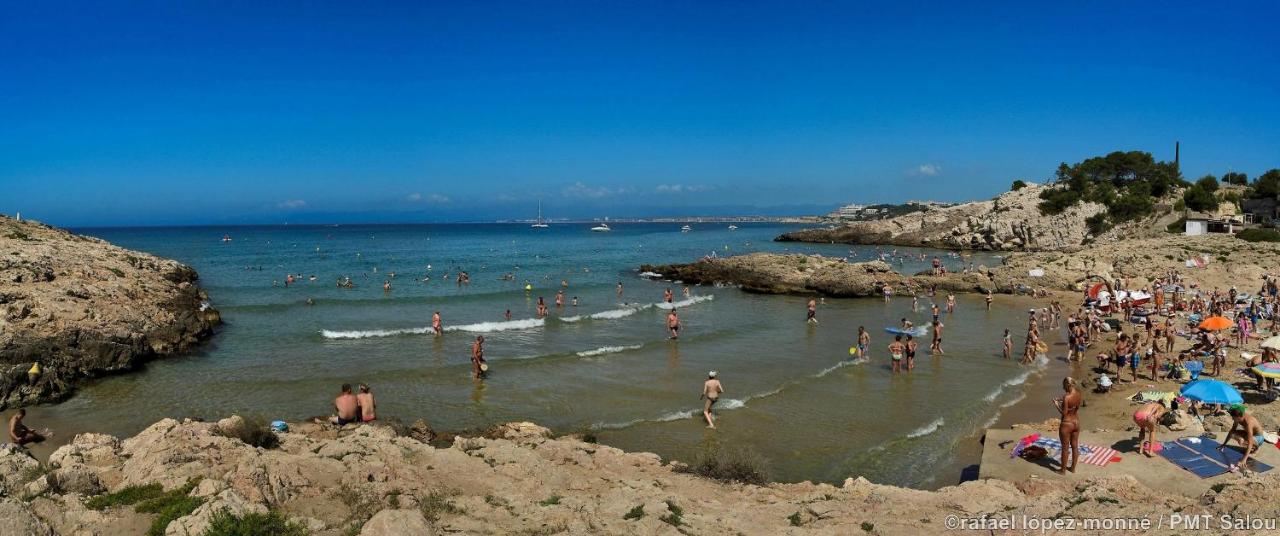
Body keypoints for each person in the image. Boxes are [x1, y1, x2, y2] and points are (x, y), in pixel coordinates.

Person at [1221, 404, 1266, 470]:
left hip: (1259, 438)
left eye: (1233, 418)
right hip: (1251, 434)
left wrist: (1244, 459)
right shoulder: (1238, 417)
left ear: (1238, 417)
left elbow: (1250, 441)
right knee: (1232, 433)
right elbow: (1231, 431)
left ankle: (1256, 448)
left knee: (1244, 440)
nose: (1232, 419)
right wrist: (1223, 444)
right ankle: (1250, 446)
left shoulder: (1249, 422)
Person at [1053, 378, 1083, 474]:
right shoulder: (1078, 394)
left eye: (1064, 386)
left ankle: (1063, 470)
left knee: (1065, 448)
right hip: (1076, 422)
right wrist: (1062, 400)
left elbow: (1064, 413)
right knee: (1075, 446)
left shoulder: (1066, 397)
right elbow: (1075, 407)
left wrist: (1056, 404)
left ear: (1068, 385)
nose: (1063, 388)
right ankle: (1073, 469)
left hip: (1067, 424)